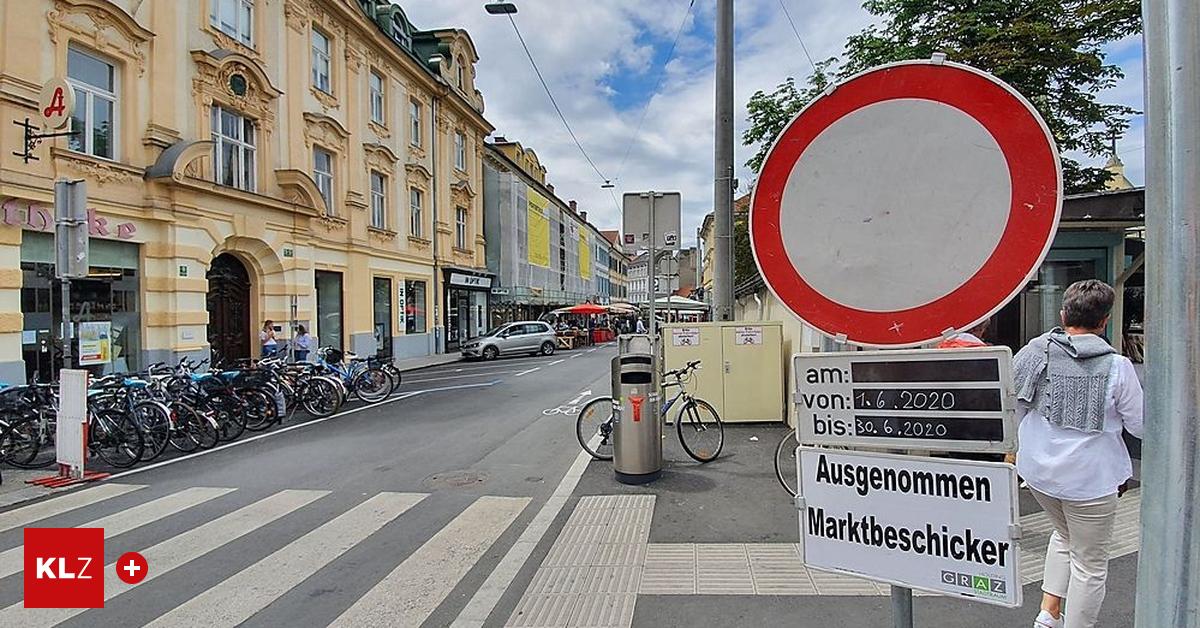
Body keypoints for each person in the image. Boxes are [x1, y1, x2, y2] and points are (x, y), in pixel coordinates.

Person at [1014, 280, 1142, 628]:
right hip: (1090, 483)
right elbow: (1141, 425)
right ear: (1104, 321)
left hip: (1038, 474)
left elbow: (1015, 409)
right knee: (1089, 564)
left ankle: (1048, 613)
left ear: (1063, 313)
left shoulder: (1033, 352)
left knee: (1065, 535)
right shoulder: (1117, 367)